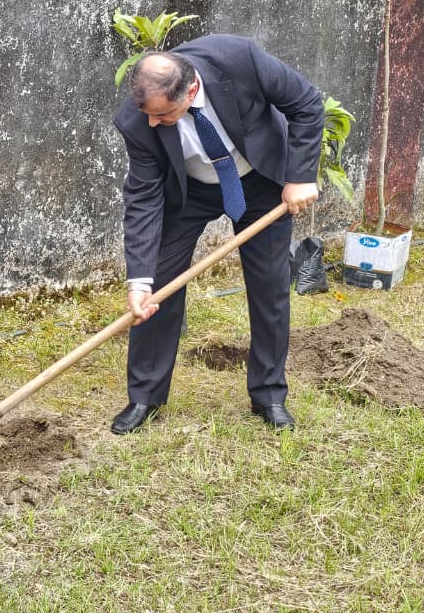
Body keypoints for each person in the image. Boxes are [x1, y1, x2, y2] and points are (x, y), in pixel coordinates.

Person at [110, 35, 322, 435]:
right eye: (148, 115)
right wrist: (139, 281)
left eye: (163, 114)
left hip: (260, 180)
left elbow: (307, 104)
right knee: (160, 284)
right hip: (189, 189)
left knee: (270, 287)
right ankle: (144, 397)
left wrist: (300, 176)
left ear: (191, 90)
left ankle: (269, 395)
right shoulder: (138, 119)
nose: (153, 123)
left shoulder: (239, 60)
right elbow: (142, 198)